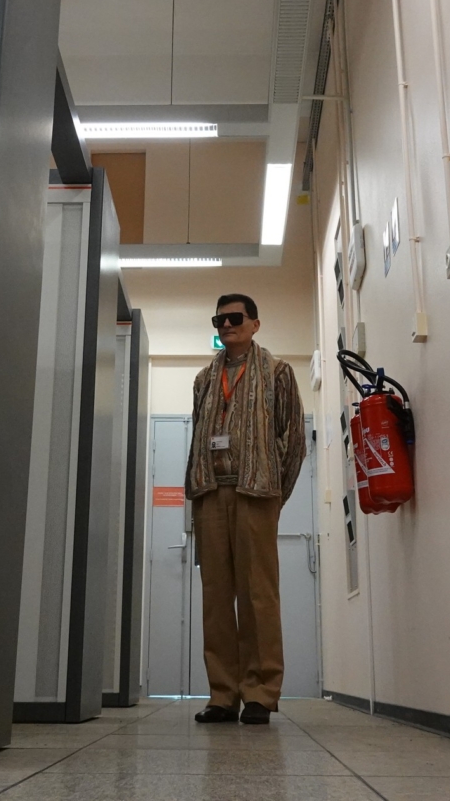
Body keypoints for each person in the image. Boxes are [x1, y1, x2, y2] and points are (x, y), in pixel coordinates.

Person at [187, 293, 307, 725]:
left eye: (235, 318)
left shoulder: (278, 372)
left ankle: (259, 693)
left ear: (255, 324)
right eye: (219, 319)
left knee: (258, 594)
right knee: (216, 597)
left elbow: (294, 440)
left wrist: (274, 495)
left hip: (256, 494)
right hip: (210, 493)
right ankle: (222, 695)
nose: (226, 325)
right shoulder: (204, 379)